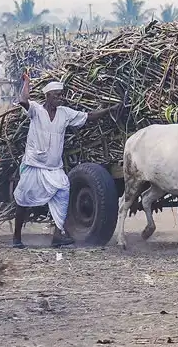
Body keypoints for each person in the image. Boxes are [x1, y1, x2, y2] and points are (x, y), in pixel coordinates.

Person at [12, 74, 121, 248]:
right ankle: (16, 238)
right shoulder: (36, 110)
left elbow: (88, 116)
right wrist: (26, 82)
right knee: (23, 199)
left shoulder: (65, 113)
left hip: (54, 167)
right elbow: (23, 100)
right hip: (34, 164)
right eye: (56, 95)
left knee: (63, 191)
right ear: (47, 96)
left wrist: (108, 111)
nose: (60, 98)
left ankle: (57, 236)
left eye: (61, 95)